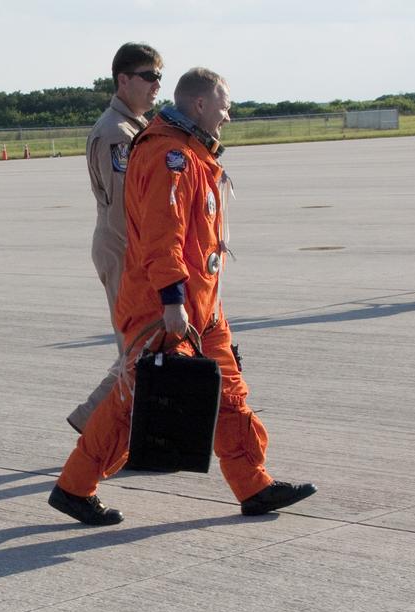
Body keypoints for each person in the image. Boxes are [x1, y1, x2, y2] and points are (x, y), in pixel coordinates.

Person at [49, 67, 316, 526]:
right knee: (136, 400)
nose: (229, 115)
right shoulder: (168, 155)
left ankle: (253, 486)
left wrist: (199, 303)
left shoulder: (192, 152)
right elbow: (162, 236)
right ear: (199, 105)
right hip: (163, 306)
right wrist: (172, 302)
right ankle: (74, 487)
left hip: (201, 305)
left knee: (229, 394)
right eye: (224, 104)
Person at [67, 42, 164, 434]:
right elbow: (127, 208)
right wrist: (152, 263)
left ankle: (122, 428)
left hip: (129, 248)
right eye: (149, 77)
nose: (157, 85)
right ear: (123, 80)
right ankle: (93, 420)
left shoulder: (134, 127)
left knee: (144, 344)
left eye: (159, 77)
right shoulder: (116, 134)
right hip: (125, 248)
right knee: (138, 347)